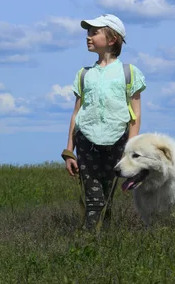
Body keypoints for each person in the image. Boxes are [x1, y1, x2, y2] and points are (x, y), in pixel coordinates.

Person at [61, 14, 146, 232]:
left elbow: (135, 114)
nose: (88, 37)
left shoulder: (129, 73)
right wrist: (69, 151)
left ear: (112, 39)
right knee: (93, 198)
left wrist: (131, 150)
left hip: (117, 142)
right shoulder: (84, 74)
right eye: (88, 32)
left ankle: (103, 241)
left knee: (106, 196)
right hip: (86, 140)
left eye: (94, 32)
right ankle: (90, 239)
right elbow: (76, 113)